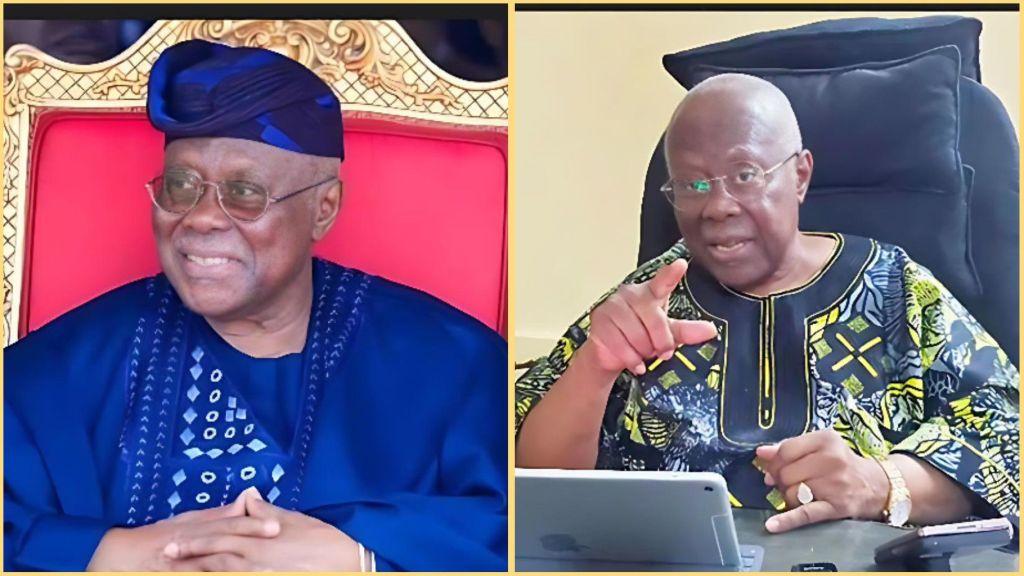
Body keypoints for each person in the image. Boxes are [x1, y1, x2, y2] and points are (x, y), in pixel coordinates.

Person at [5, 39, 507, 572]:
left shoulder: (452, 366)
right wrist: (100, 553)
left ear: (324, 209)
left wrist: (363, 555)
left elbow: (517, 523)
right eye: (180, 186)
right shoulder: (56, 370)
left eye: (244, 192)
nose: (199, 219)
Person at [516, 74, 1019, 534]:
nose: (717, 207)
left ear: (799, 175)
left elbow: (1008, 434)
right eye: (692, 185)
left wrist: (880, 484)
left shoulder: (897, 288)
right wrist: (593, 370)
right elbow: (526, 481)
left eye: (745, 174)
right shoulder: (648, 299)